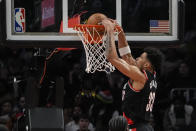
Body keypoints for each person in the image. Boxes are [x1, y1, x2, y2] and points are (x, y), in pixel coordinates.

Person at [102, 19, 163, 131]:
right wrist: (120, 32)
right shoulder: (149, 75)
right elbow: (127, 56)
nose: (137, 58)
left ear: (146, 65)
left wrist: (109, 31)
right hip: (144, 126)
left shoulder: (140, 76)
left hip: (138, 127)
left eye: (141, 58)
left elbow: (111, 57)